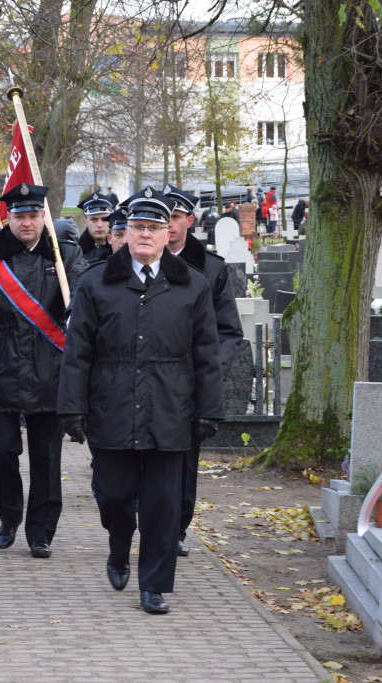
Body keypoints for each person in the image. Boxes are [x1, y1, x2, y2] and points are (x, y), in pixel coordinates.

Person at [58, 186, 224, 614]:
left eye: (154, 227)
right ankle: (118, 545)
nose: (145, 234)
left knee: (163, 504)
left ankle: (154, 584)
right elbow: (77, 352)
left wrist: (209, 409)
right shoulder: (96, 283)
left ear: (169, 232)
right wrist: (72, 408)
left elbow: (206, 354)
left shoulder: (192, 286)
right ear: (125, 232)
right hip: (111, 406)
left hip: (171, 410)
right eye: (137, 227)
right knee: (114, 494)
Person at [0, 183, 87, 559]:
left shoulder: (65, 256)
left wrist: (78, 308)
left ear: (43, 216)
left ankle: (41, 531)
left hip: (50, 366)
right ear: (7, 218)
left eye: (33, 215)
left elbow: (86, 296)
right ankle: (9, 516)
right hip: (0, 365)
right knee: (0, 451)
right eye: (19, 216)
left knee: (46, 457)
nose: (26, 223)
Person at [163, 184, 244, 556]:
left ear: (189, 221)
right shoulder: (141, 261)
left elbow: (228, 330)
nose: (170, 225)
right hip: (149, 378)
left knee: (184, 461)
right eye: (164, 218)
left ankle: (176, 527)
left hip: (192, 381)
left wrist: (211, 373)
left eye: (176, 218)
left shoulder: (212, 268)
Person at [77, 192, 114, 261]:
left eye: (104, 219)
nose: (99, 225)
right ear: (85, 222)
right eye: (94, 219)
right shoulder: (75, 254)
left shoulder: (120, 250)